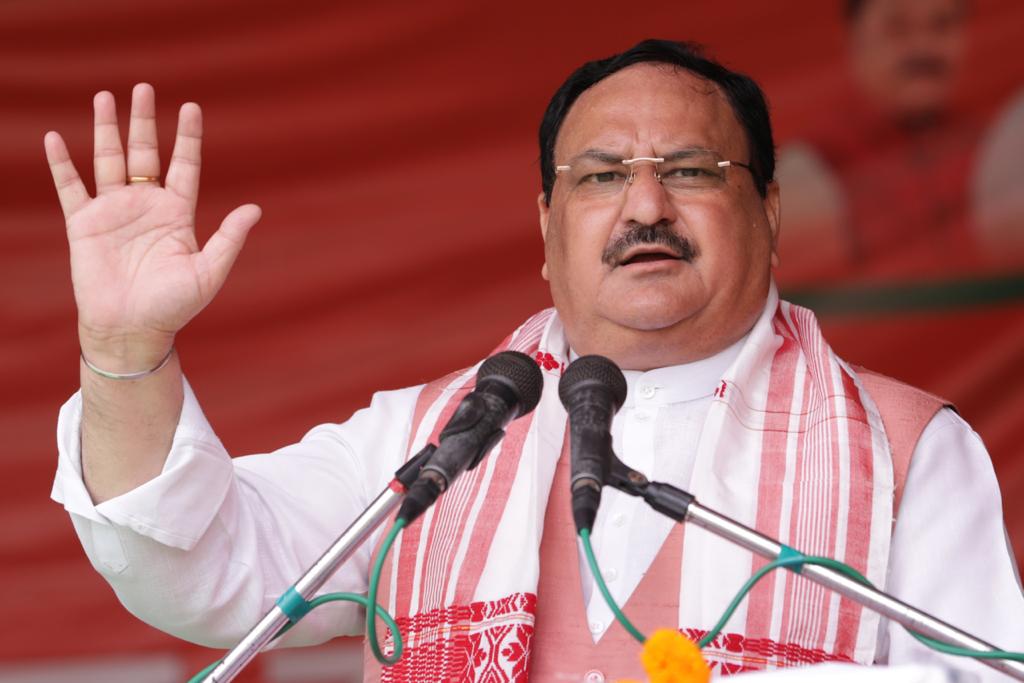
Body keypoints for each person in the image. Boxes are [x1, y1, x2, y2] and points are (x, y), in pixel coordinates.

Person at [47, 40, 1023, 681]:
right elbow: (201, 567)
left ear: (768, 212)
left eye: (689, 169)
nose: (644, 205)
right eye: (600, 176)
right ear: (548, 227)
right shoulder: (432, 440)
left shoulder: (907, 449)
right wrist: (126, 351)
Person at [776, 0, 1024, 286]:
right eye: (898, 28)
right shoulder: (811, 171)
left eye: (942, 26)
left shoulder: (996, 151)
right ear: (853, 38)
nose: (923, 47)